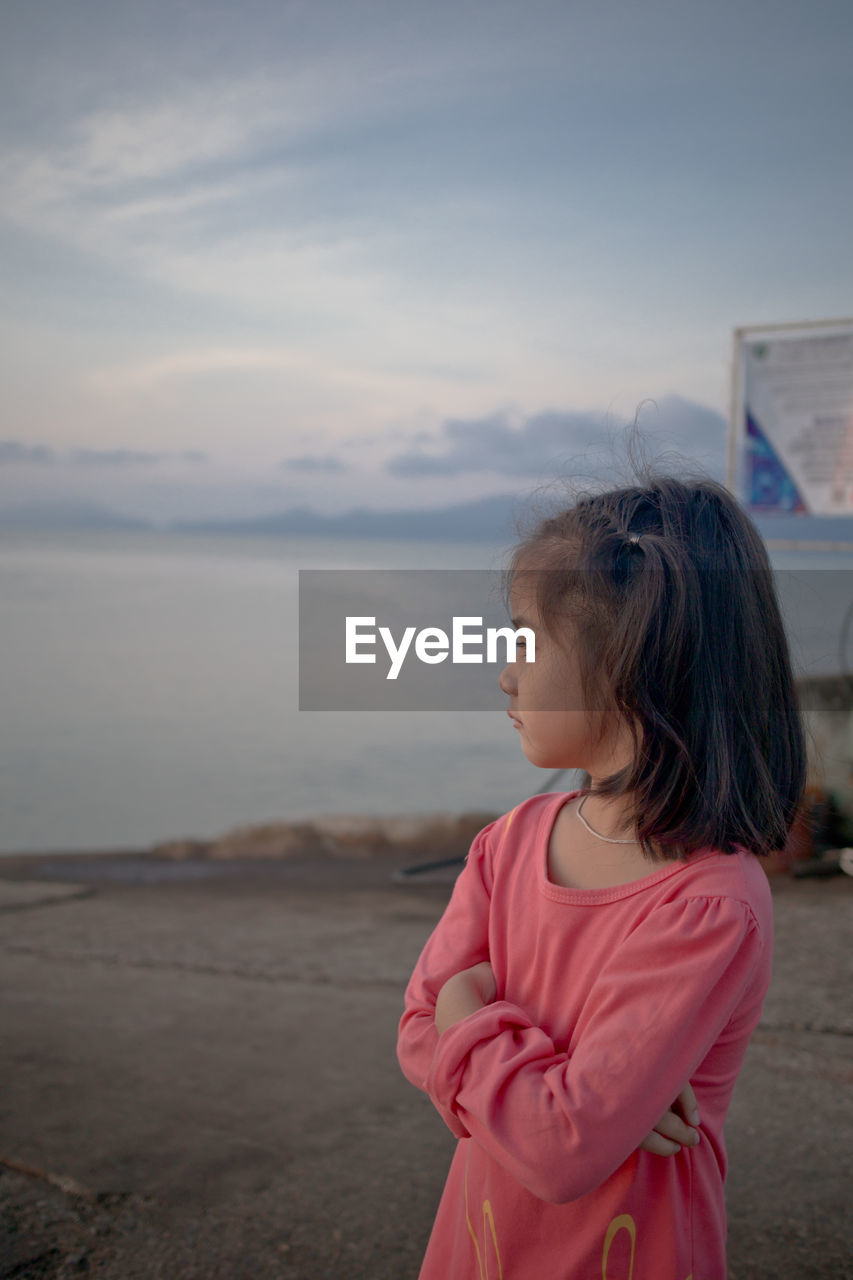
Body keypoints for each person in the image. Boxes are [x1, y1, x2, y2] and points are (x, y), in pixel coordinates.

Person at [396, 469, 806, 1279]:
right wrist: (563, 1091)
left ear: (631, 657)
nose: (505, 674)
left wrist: (463, 1011)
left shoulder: (709, 904)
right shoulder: (506, 844)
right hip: (477, 1247)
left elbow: (559, 1151)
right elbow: (413, 1037)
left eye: (525, 638)